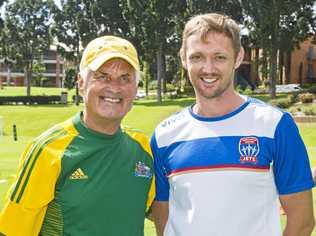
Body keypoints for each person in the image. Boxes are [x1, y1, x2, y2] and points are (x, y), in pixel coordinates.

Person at [150, 13, 315, 236]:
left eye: (219, 57)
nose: (208, 68)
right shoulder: (164, 136)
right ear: (183, 58)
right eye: (197, 57)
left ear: (238, 58)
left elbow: (302, 222)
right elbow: (164, 219)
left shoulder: (275, 125)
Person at [0, 35, 155, 236]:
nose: (115, 87)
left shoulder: (142, 148)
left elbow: (160, 209)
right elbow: (13, 231)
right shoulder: (49, 149)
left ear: (135, 88)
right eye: (102, 76)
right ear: (81, 83)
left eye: (125, 78)